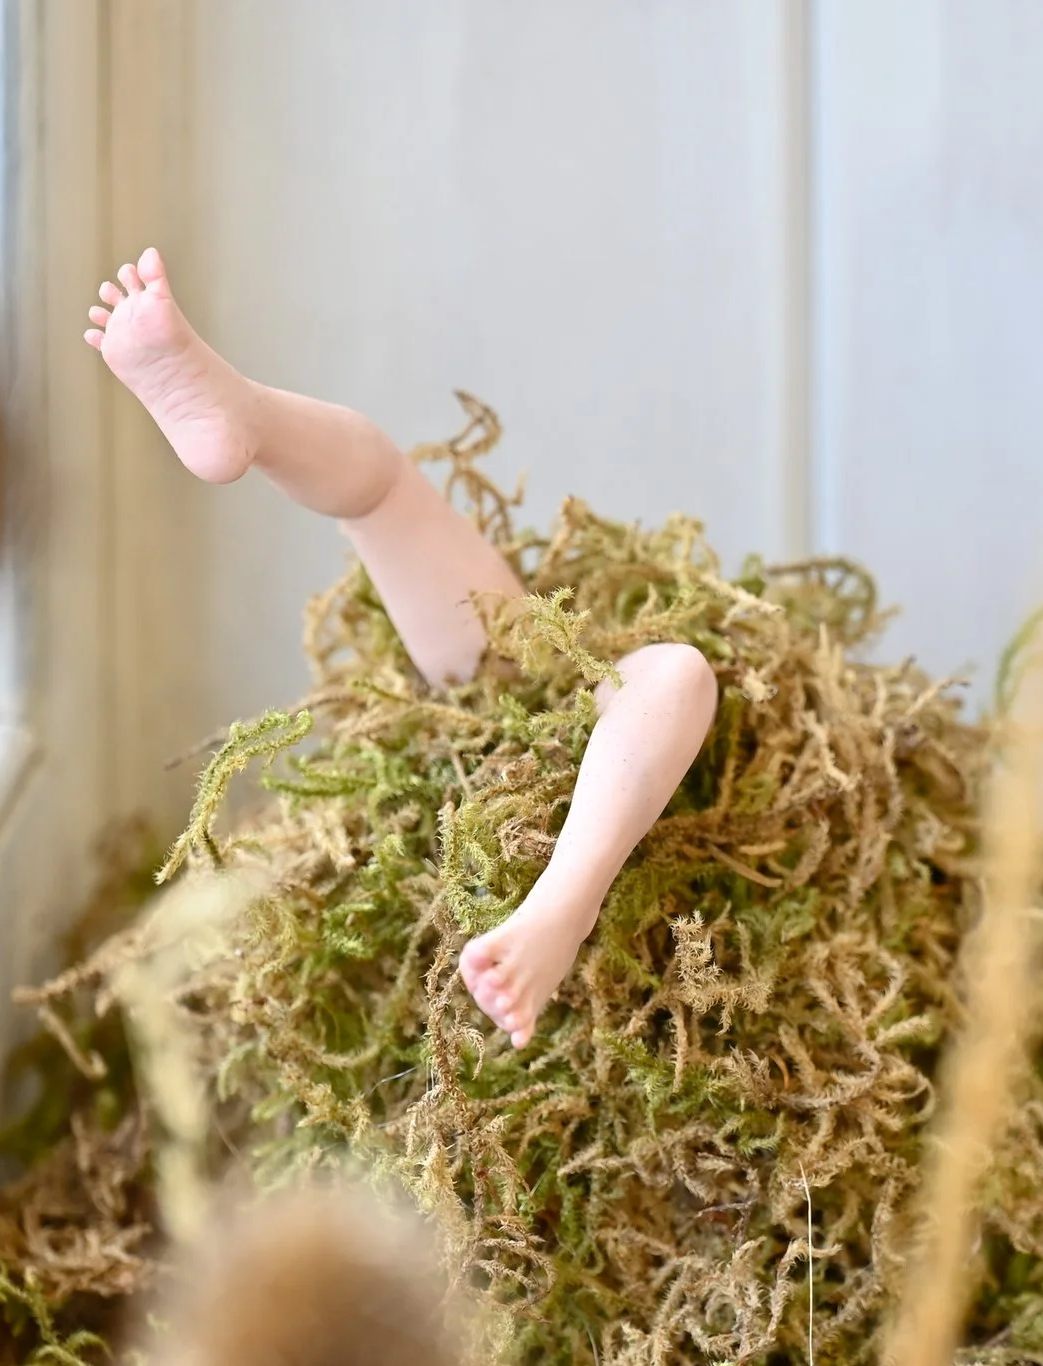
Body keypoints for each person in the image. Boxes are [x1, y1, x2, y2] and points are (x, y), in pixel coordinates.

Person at [84, 248, 717, 1049]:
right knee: (386, 490)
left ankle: (562, 904)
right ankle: (239, 410)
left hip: (511, 694)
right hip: (508, 681)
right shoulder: (547, 659)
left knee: (674, 671)